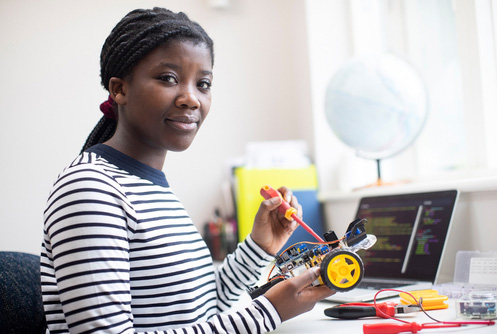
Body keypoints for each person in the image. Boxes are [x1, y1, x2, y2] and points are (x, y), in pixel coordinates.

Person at [40, 7, 334, 334]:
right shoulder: (90, 188)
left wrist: (260, 245)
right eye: (168, 78)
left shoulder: (152, 188)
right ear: (119, 89)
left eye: (203, 83)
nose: (191, 99)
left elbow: (205, 306)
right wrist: (268, 312)